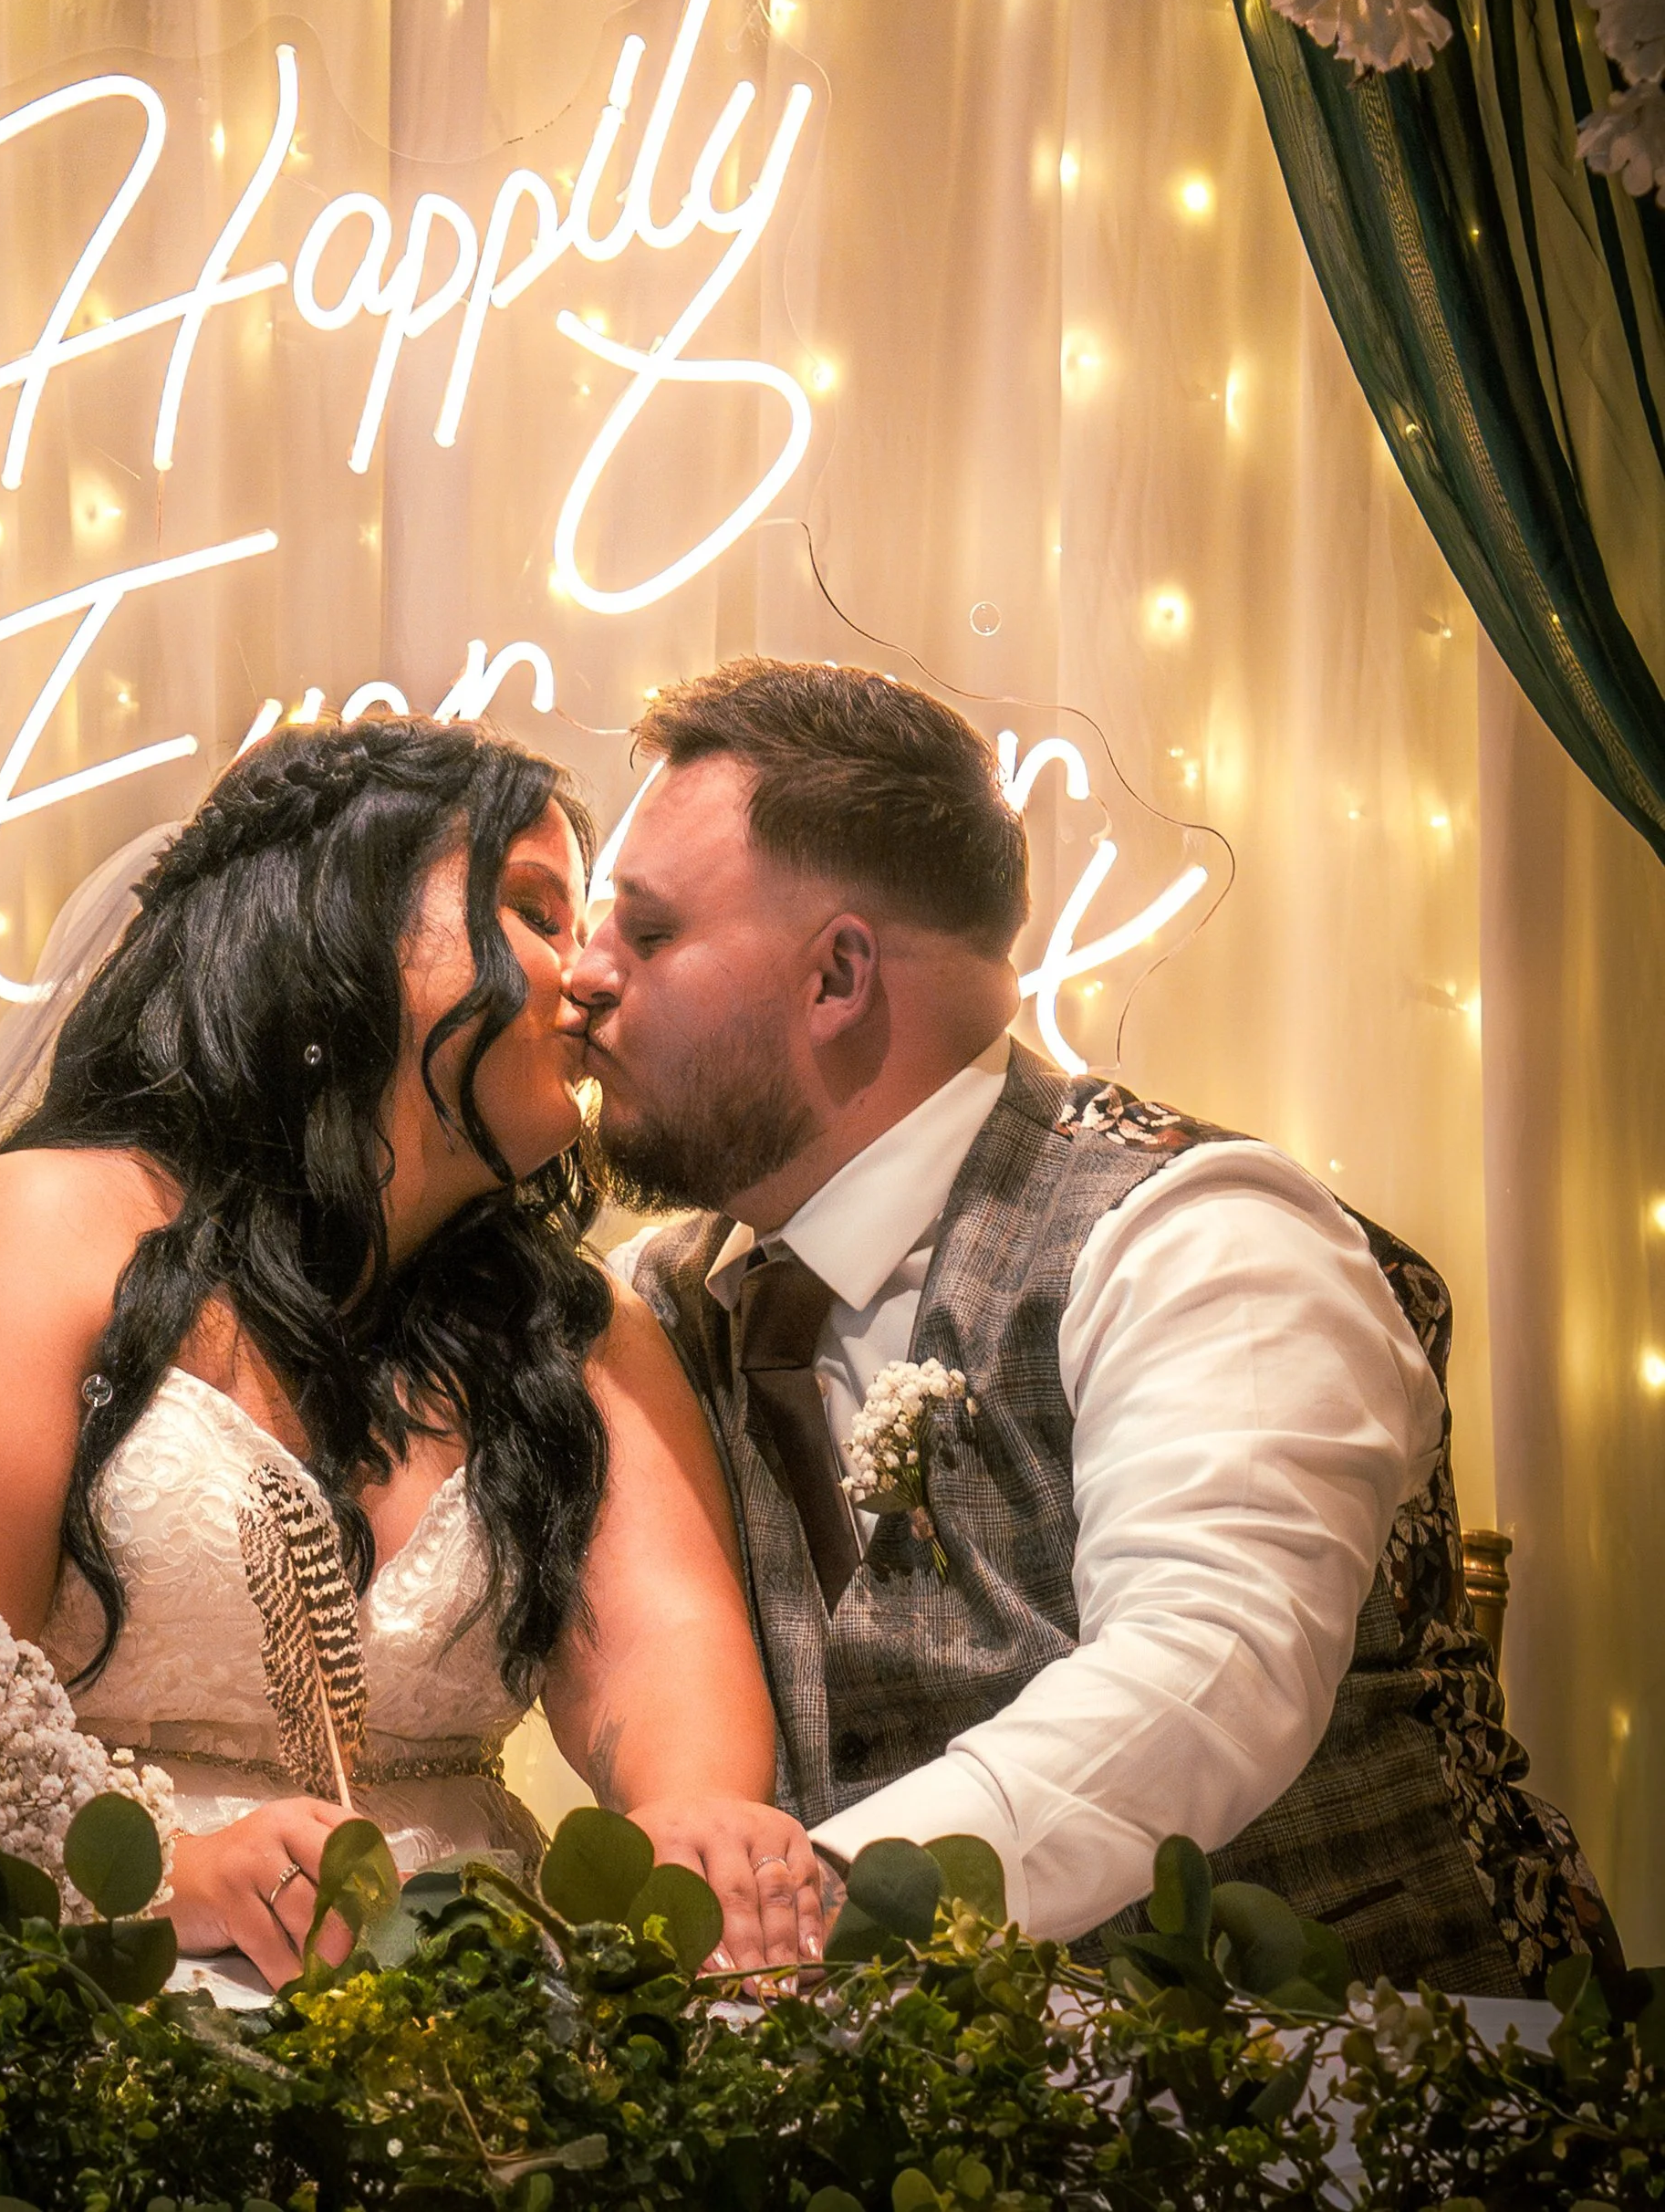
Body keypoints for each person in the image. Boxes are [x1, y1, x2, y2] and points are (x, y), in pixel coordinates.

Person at [568, 656, 1614, 1994]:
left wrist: (825, 1905)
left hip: (1369, 2082)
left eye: (646, 935)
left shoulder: (1202, 1238)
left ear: (837, 976)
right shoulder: (662, 1301)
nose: (584, 982)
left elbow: (1210, 1670)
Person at [0, 716, 827, 1984]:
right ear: (337, 926)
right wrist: (158, 1877)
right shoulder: (36, 1236)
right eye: (536, 912)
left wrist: (691, 1824)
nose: (592, 975)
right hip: (90, 1992)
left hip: (482, 2007)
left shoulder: (579, 1329)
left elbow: (661, 1657)